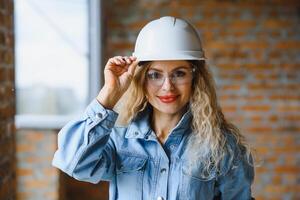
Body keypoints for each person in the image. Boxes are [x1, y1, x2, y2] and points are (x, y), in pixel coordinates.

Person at [52, 16, 255, 200]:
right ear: (141, 79)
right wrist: (109, 94)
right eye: (155, 75)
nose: (167, 86)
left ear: (195, 78)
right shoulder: (119, 139)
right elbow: (73, 163)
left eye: (179, 73)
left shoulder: (222, 146)